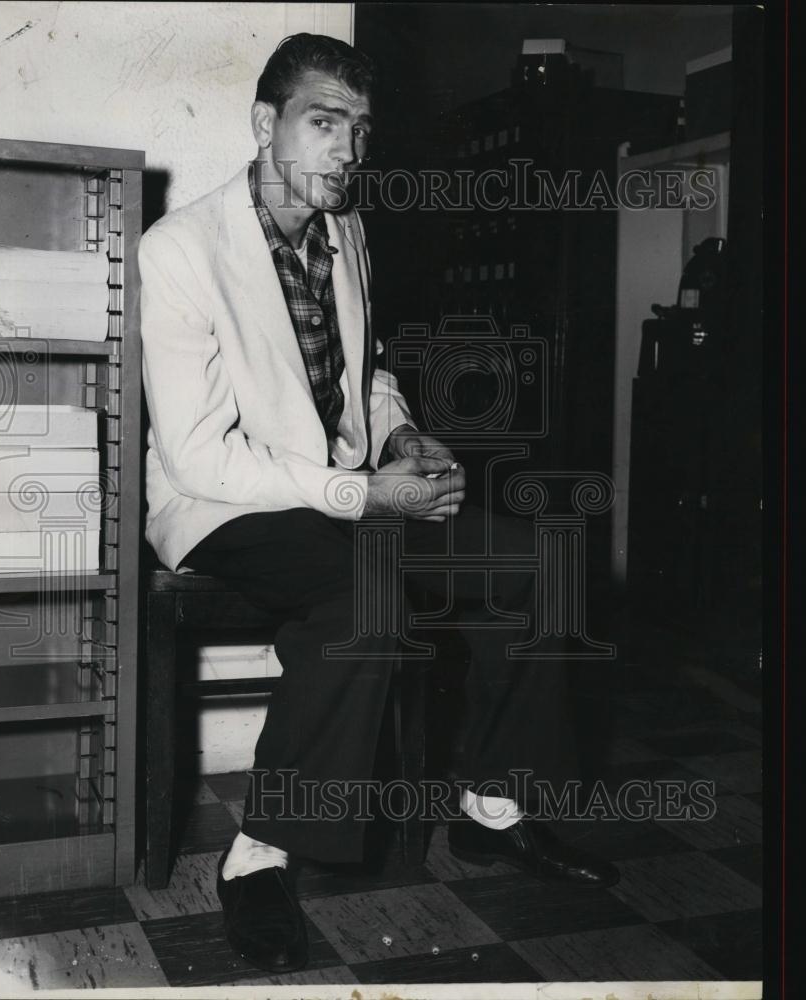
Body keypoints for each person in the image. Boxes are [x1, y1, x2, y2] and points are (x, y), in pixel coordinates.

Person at [139, 32, 618, 974]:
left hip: (342, 488)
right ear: (266, 125)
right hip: (224, 505)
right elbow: (198, 456)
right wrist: (363, 492)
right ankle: (260, 853)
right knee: (364, 599)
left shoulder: (346, 231)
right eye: (325, 125)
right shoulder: (181, 247)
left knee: (538, 563)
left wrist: (400, 436)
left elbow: (369, 371)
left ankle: (493, 807)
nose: (346, 154)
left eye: (359, 131)